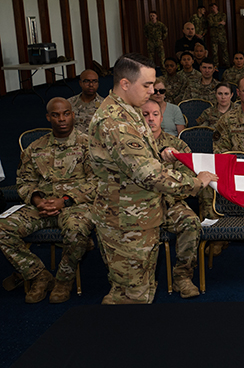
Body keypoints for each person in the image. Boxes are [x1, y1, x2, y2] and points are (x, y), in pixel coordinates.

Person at [88, 53, 215, 304]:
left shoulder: (131, 111)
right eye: (146, 85)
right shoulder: (116, 122)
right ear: (125, 84)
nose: (153, 90)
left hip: (139, 215)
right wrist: (196, 182)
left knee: (139, 290)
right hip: (126, 222)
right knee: (131, 296)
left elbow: (135, 160)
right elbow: (147, 174)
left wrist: (158, 157)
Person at [0, 98, 95, 304]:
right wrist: (37, 199)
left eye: (66, 113)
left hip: (75, 205)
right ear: (48, 117)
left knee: (76, 229)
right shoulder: (35, 148)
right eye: (56, 115)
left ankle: (63, 281)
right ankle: (38, 275)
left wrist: (65, 200)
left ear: (73, 114)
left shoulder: (88, 145)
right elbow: (24, 181)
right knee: (2, 228)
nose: (61, 119)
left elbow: (98, 182)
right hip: (41, 206)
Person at [141, 99, 203, 298]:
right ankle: (140, 281)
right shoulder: (133, 147)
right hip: (140, 206)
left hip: (169, 204)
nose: (151, 119)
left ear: (162, 117)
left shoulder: (177, 145)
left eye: (155, 114)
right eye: (145, 115)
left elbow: (189, 180)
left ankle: (182, 277)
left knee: (191, 222)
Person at [68, 69, 103, 134]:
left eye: (95, 81)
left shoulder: (104, 105)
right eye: (87, 81)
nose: (91, 85)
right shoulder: (69, 103)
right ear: (80, 83)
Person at [206, 3, 229, 68]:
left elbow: (223, 23)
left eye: (214, 7)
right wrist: (219, 23)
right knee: (214, 52)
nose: (213, 9)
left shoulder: (222, 14)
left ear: (217, 7)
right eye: (211, 8)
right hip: (214, 36)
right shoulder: (210, 16)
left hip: (222, 36)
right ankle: (216, 66)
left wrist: (216, 24)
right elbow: (211, 24)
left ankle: (227, 65)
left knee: (224, 51)